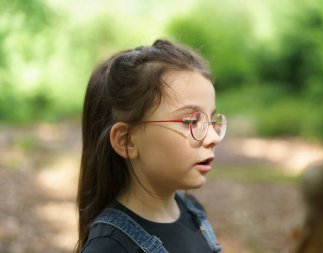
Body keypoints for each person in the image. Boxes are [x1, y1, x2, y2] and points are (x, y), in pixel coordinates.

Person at [76, 39, 227, 253]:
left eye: (211, 120)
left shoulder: (192, 212)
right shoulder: (109, 247)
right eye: (191, 122)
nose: (213, 137)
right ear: (127, 140)